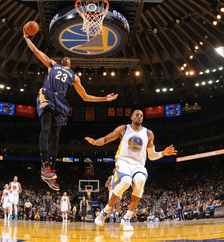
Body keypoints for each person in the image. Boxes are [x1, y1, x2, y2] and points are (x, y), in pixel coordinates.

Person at [23, 31, 118, 191]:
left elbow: (85, 96)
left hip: (60, 102)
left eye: (69, 58)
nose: (67, 57)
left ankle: (50, 170)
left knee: (56, 136)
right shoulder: (52, 64)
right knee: (45, 128)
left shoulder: (74, 77)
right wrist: (26, 38)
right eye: (64, 57)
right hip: (47, 95)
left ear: (71, 63)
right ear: (62, 61)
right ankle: (44, 164)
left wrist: (103, 99)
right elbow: (36, 51)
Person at [85, 109, 177, 231]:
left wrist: (163, 153)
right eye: (137, 115)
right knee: (126, 181)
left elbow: (151, 156)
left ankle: (127, 218)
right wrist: (95, 142)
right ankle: (105, 211)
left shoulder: (148, 133)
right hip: (123, 161)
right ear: (131, 117)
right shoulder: (123, 128)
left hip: (138, 164)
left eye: (141, 116)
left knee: (140, 180)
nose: (139, 117)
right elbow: (106, 139)